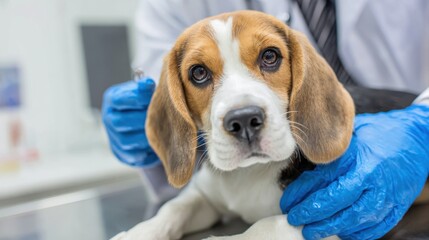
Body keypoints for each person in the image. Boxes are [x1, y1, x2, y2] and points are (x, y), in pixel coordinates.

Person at [102, 0, 429, 239]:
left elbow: (329, 220)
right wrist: (161, 225)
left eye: (268, 57)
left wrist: (423, 124)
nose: (241, 114)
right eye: (200, 73)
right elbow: (204, 200)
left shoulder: (319, 139)